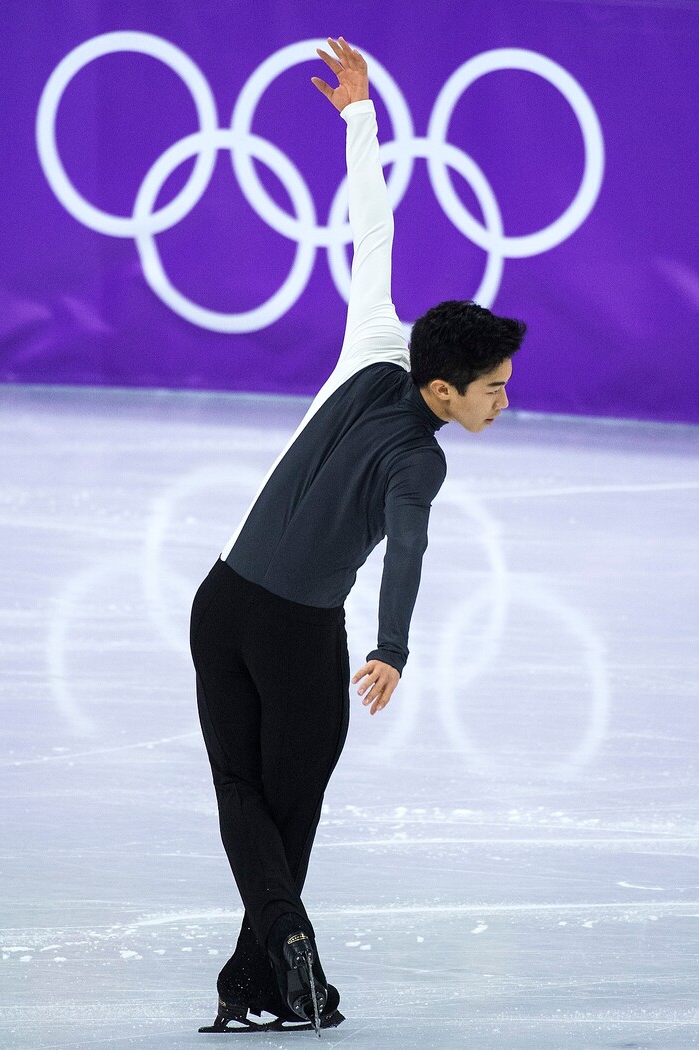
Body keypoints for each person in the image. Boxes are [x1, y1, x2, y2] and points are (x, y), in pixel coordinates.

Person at [191, 36, 526, 1035]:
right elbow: (409, 549)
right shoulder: (422, 459)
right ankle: (290, 962)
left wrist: (358, 117)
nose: (503, 401)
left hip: (219, 604)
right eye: (491, 389)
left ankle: (258, 980)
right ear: (440, 389)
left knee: (241, 790)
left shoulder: (371, 345)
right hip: (297, 637)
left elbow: (368, 226)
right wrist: (390, 650)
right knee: (288, 813)